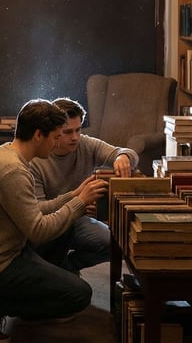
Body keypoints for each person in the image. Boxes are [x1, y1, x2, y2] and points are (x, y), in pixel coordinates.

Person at [0, 99, 110, 342]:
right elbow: (38, 230)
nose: (58, 143)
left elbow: (34, 209)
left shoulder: (5, 153)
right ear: (39, 135)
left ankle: (46, 286)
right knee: (80, 295)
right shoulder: (14, 171)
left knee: (67, 225)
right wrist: (80, 203)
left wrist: (72, 195)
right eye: (56, 136)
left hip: (1, 252)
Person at [28, 97, 138, 274]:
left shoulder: (85, 144)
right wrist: (79, 200)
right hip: (50, 223)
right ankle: (50, 273)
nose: (75, 137)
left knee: (115, 243)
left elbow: (125, 152)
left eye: (78, 130)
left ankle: (67, 268)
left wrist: (123, 157)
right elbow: (38, 211)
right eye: (68, 132)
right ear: (54, 130)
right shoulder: (37, 158)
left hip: (78, 218)